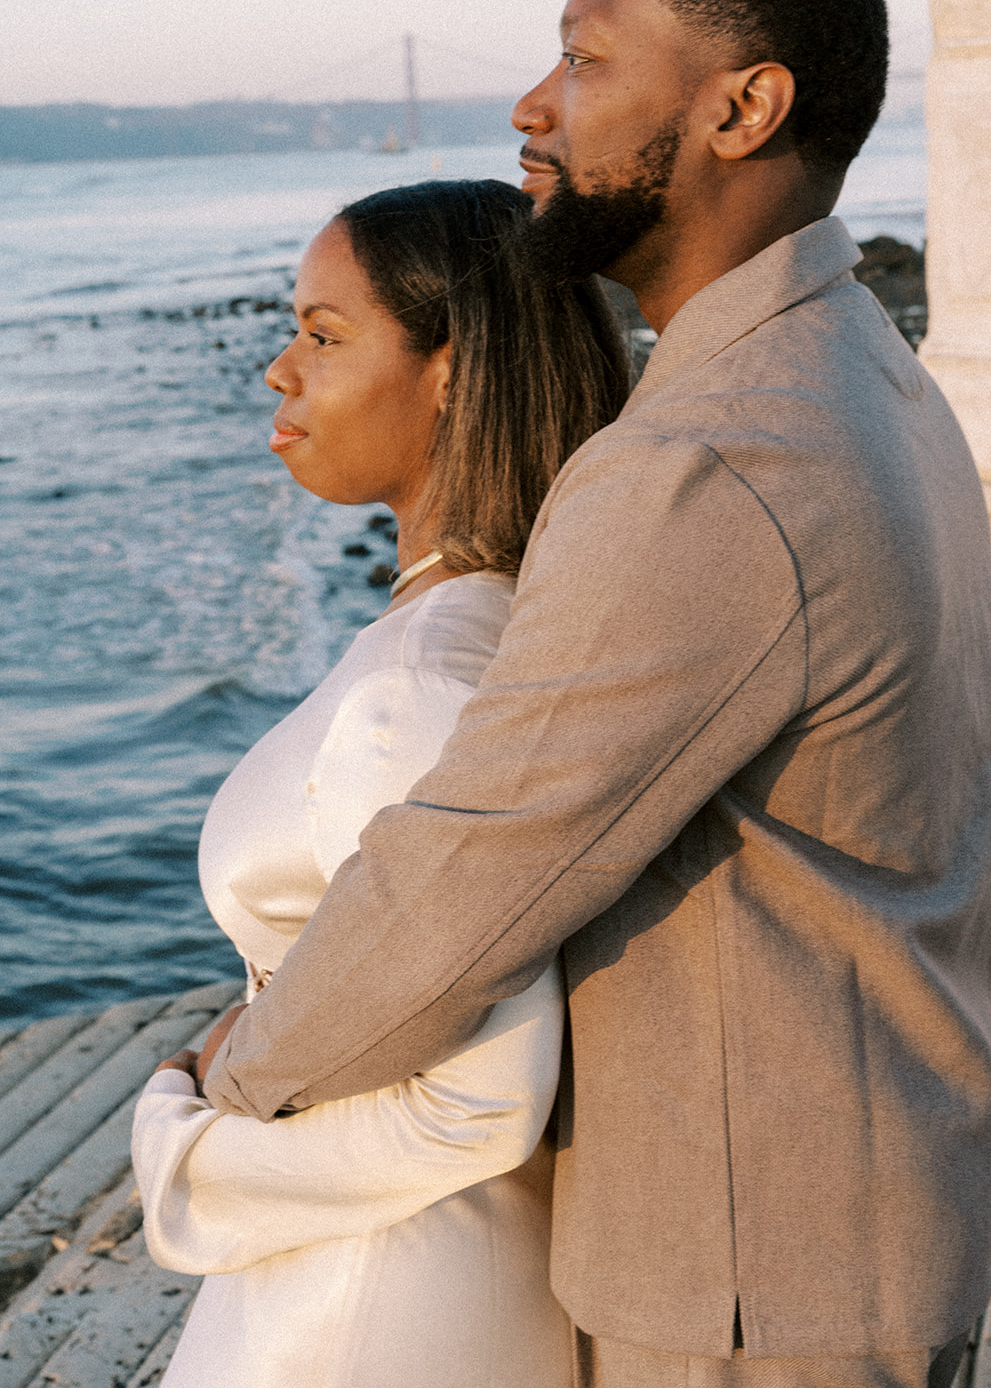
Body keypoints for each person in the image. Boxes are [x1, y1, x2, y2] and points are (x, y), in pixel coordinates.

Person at [204, 0, 991, 1388]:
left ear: (741, 109)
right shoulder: (866, 371)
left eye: (584, 61)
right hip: (869, 1200)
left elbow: (466, 871)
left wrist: (222, 1084)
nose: (534, 105)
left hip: (750, 1274)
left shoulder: (705, 458)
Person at [130, 177, 631, 1388]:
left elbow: (478, 1105)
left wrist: (180, 1144)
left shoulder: (426, 682)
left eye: (323, 334)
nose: (280, 371)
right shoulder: (483, 630)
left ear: (451, 373)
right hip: (375, 1264)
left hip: (372, 1298)